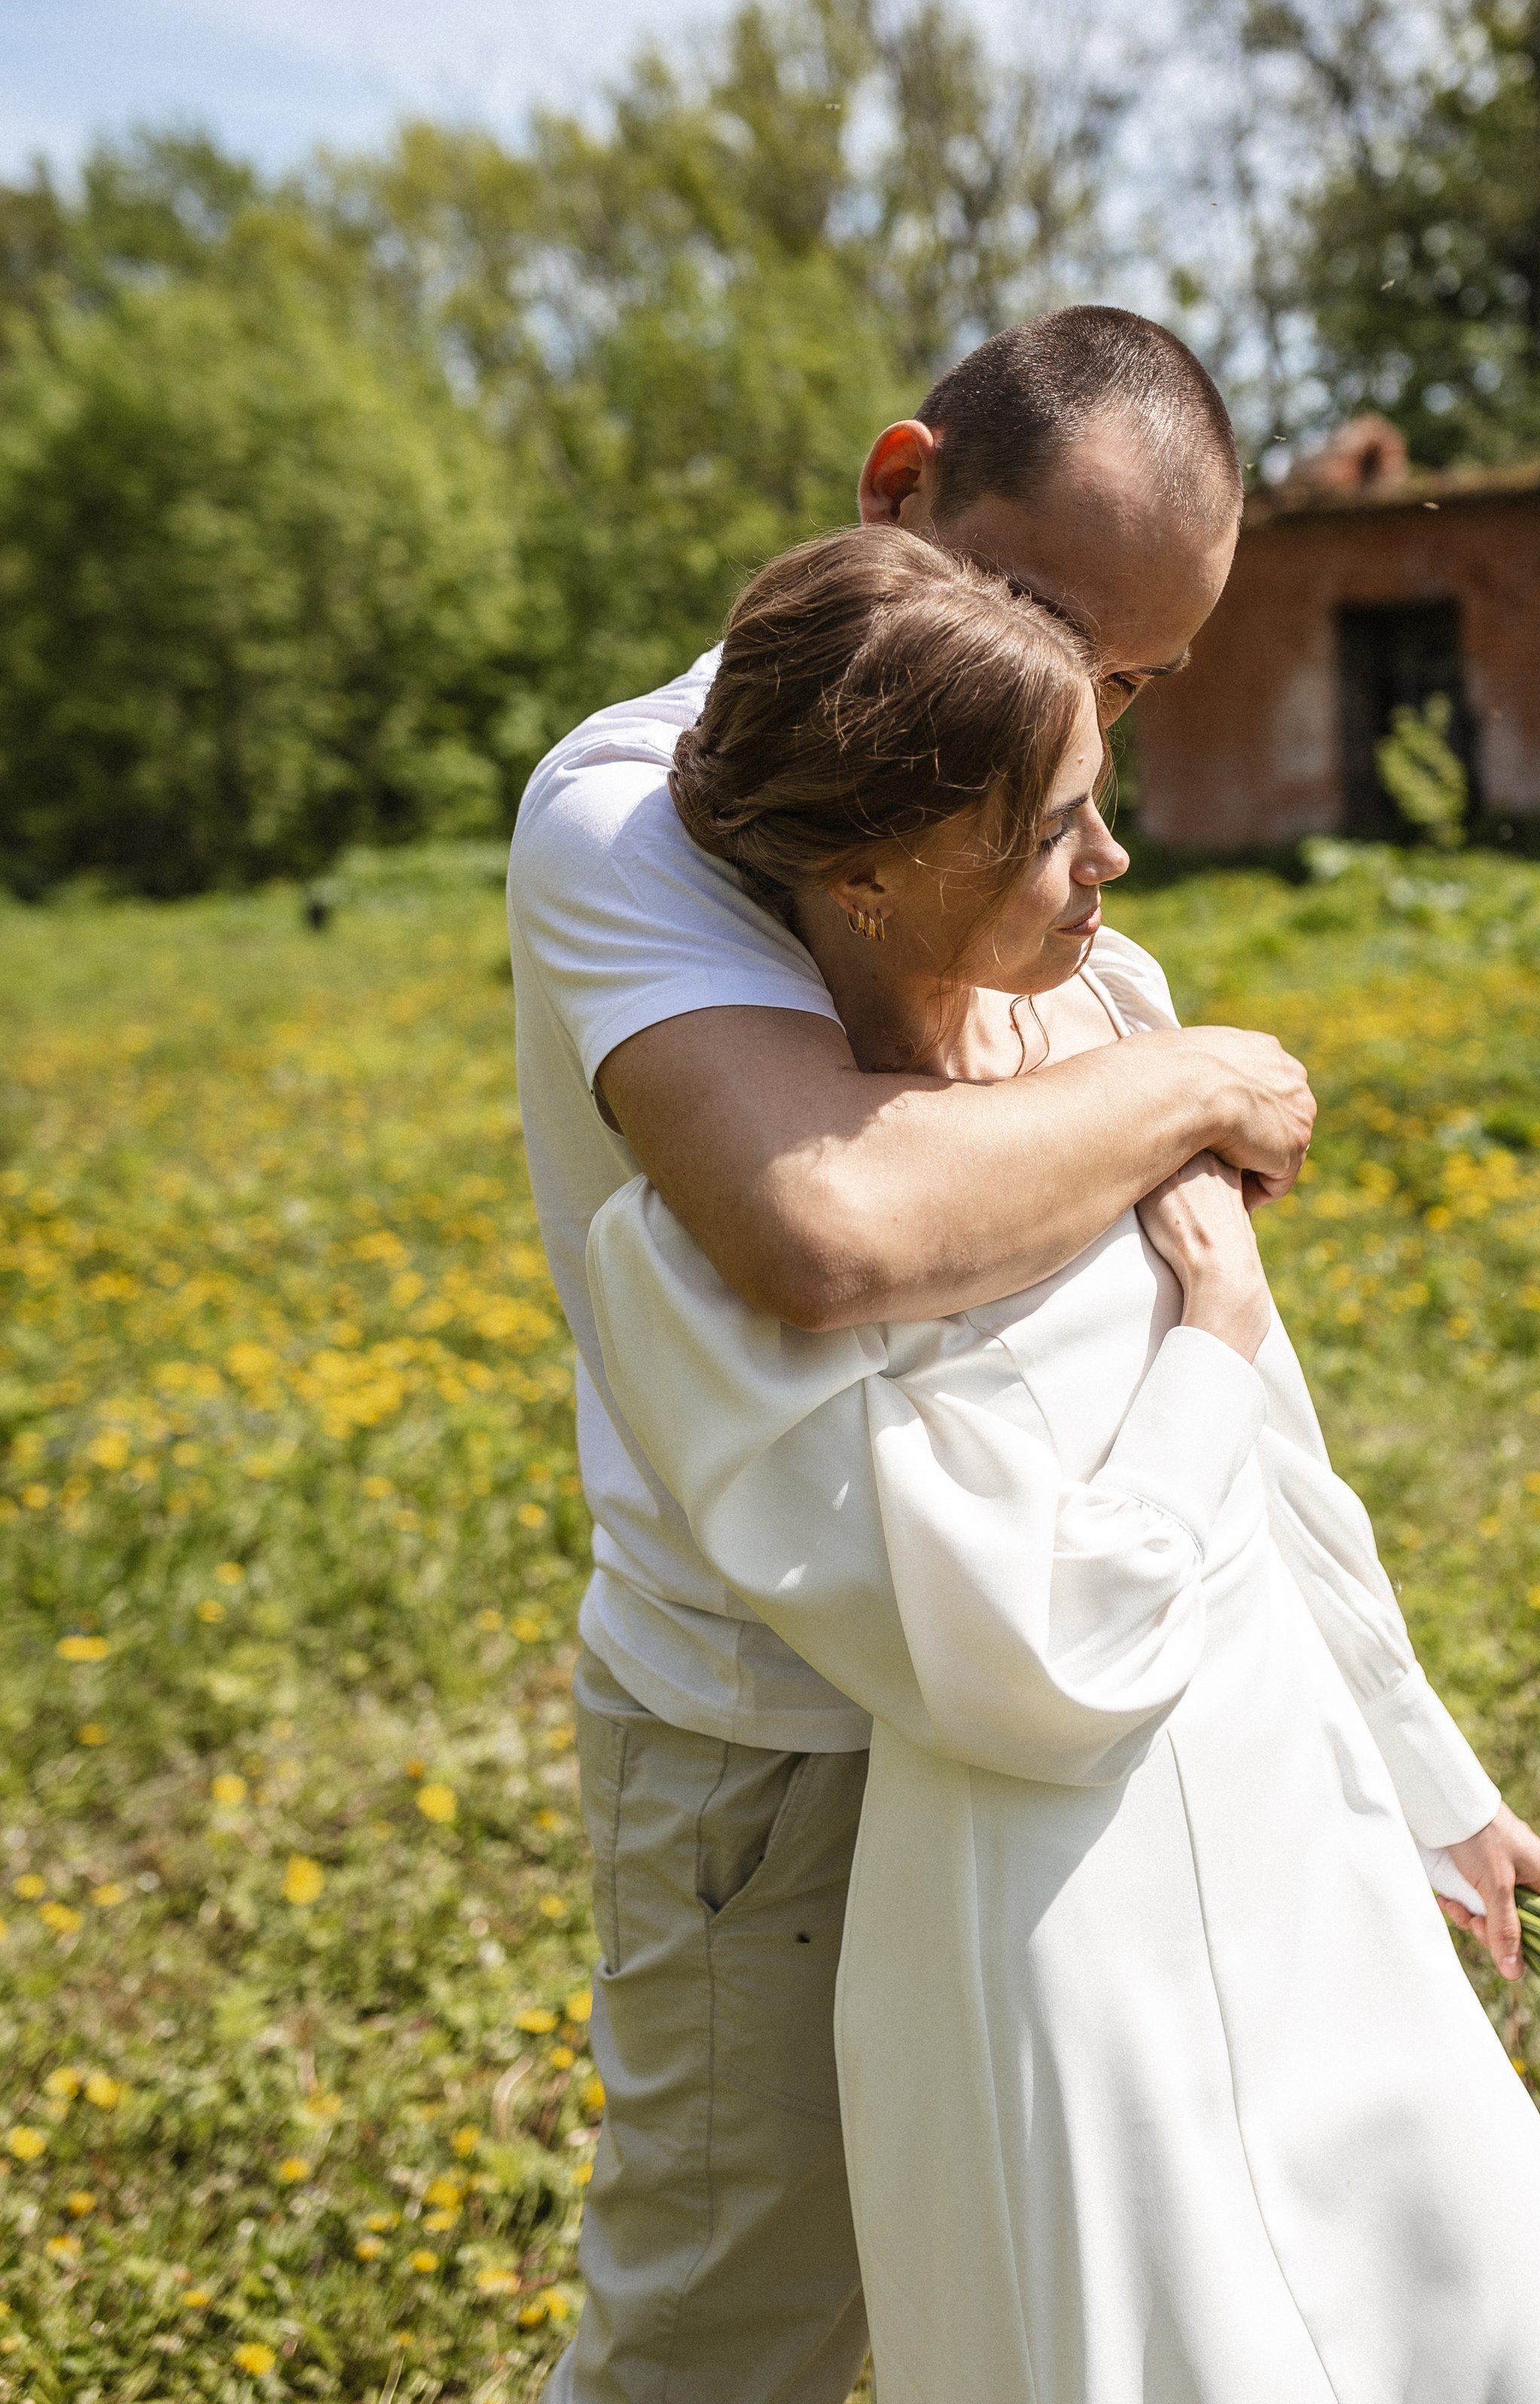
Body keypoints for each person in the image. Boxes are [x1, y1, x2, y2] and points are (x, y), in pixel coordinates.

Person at [584, 528, 1540, 2404]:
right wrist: (1209, 1340)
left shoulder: (1108, 1030)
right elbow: (1032, 1659)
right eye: (1051, 829)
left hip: (1296, 1825)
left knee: (1460, 2321)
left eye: (1105, 791)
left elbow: (1279, 1472)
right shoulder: (693, 1272)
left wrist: (1425, 1777)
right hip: (1062, 1917)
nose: (1114, 860)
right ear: (867, 871)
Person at [508, 310, 1319, 2404]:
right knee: (736, 2333)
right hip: (777, 1728)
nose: (1078, 722)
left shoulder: (1054, 918)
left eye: (1132, 685)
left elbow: (1245, 1416)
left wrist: (1412, 1771)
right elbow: (831, 1230)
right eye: (1042, 616)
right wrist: (1192, 1078)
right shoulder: (635, 818)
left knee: (1041, 2304)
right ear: (900, 493)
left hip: (1050, 1729)